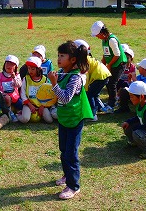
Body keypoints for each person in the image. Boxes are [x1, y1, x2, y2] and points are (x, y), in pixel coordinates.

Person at [48, 41, 93, 200]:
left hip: (74, 120)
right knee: (63, 150)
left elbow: (66, 98)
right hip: (64, 118)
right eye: (58, 55)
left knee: (71, 154)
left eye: (62, 56)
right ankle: (67, 176)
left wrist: (54, 83)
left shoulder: (75, 78)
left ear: (73, 60)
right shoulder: (62, 72)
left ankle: (74, 186)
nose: (59, 59)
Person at [91, 20, 127, 111]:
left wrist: (109, 65)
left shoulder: (112, 40)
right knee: (108, 82)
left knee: (112, 83)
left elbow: (117, 55)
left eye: (97, 35)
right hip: (112, 63)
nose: (97, 37)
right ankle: (111, 100)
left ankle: (112, 104)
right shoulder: (104, 40)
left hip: (119, 64)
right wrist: (102, 63)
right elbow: (106, 53)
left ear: (102, 33)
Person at [74, 39, 111, 121]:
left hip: (100, 76)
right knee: (95, 94)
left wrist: (86, 89)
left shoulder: (83, 61)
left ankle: (93, 115)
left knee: (90, 95)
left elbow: (86, 76)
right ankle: (102, 108)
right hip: (104, 75)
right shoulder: (87, 58)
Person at [18, 56, 56, 123]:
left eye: (32, 69)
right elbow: (23, 94)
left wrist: (43, 106)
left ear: (38, 69)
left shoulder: (45, 80)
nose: (30, 71)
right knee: (25, 119)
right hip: (29, 104)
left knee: (49, 120)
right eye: (29, 68)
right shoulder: (26, 79)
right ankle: (18, 114)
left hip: (41, 105)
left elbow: (49, 94)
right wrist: (30, 105)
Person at [0, 55, 22, 123]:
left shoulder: (17, 75)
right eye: (7, 63)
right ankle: (9, 113)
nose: (9, 66)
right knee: (7, 99)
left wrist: (14, 78)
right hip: (5, 98)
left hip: (15, 98)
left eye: (12, 64)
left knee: (22, 106)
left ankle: (17, 111)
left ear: (16, 67)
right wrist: (2, 94)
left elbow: (19, 85)